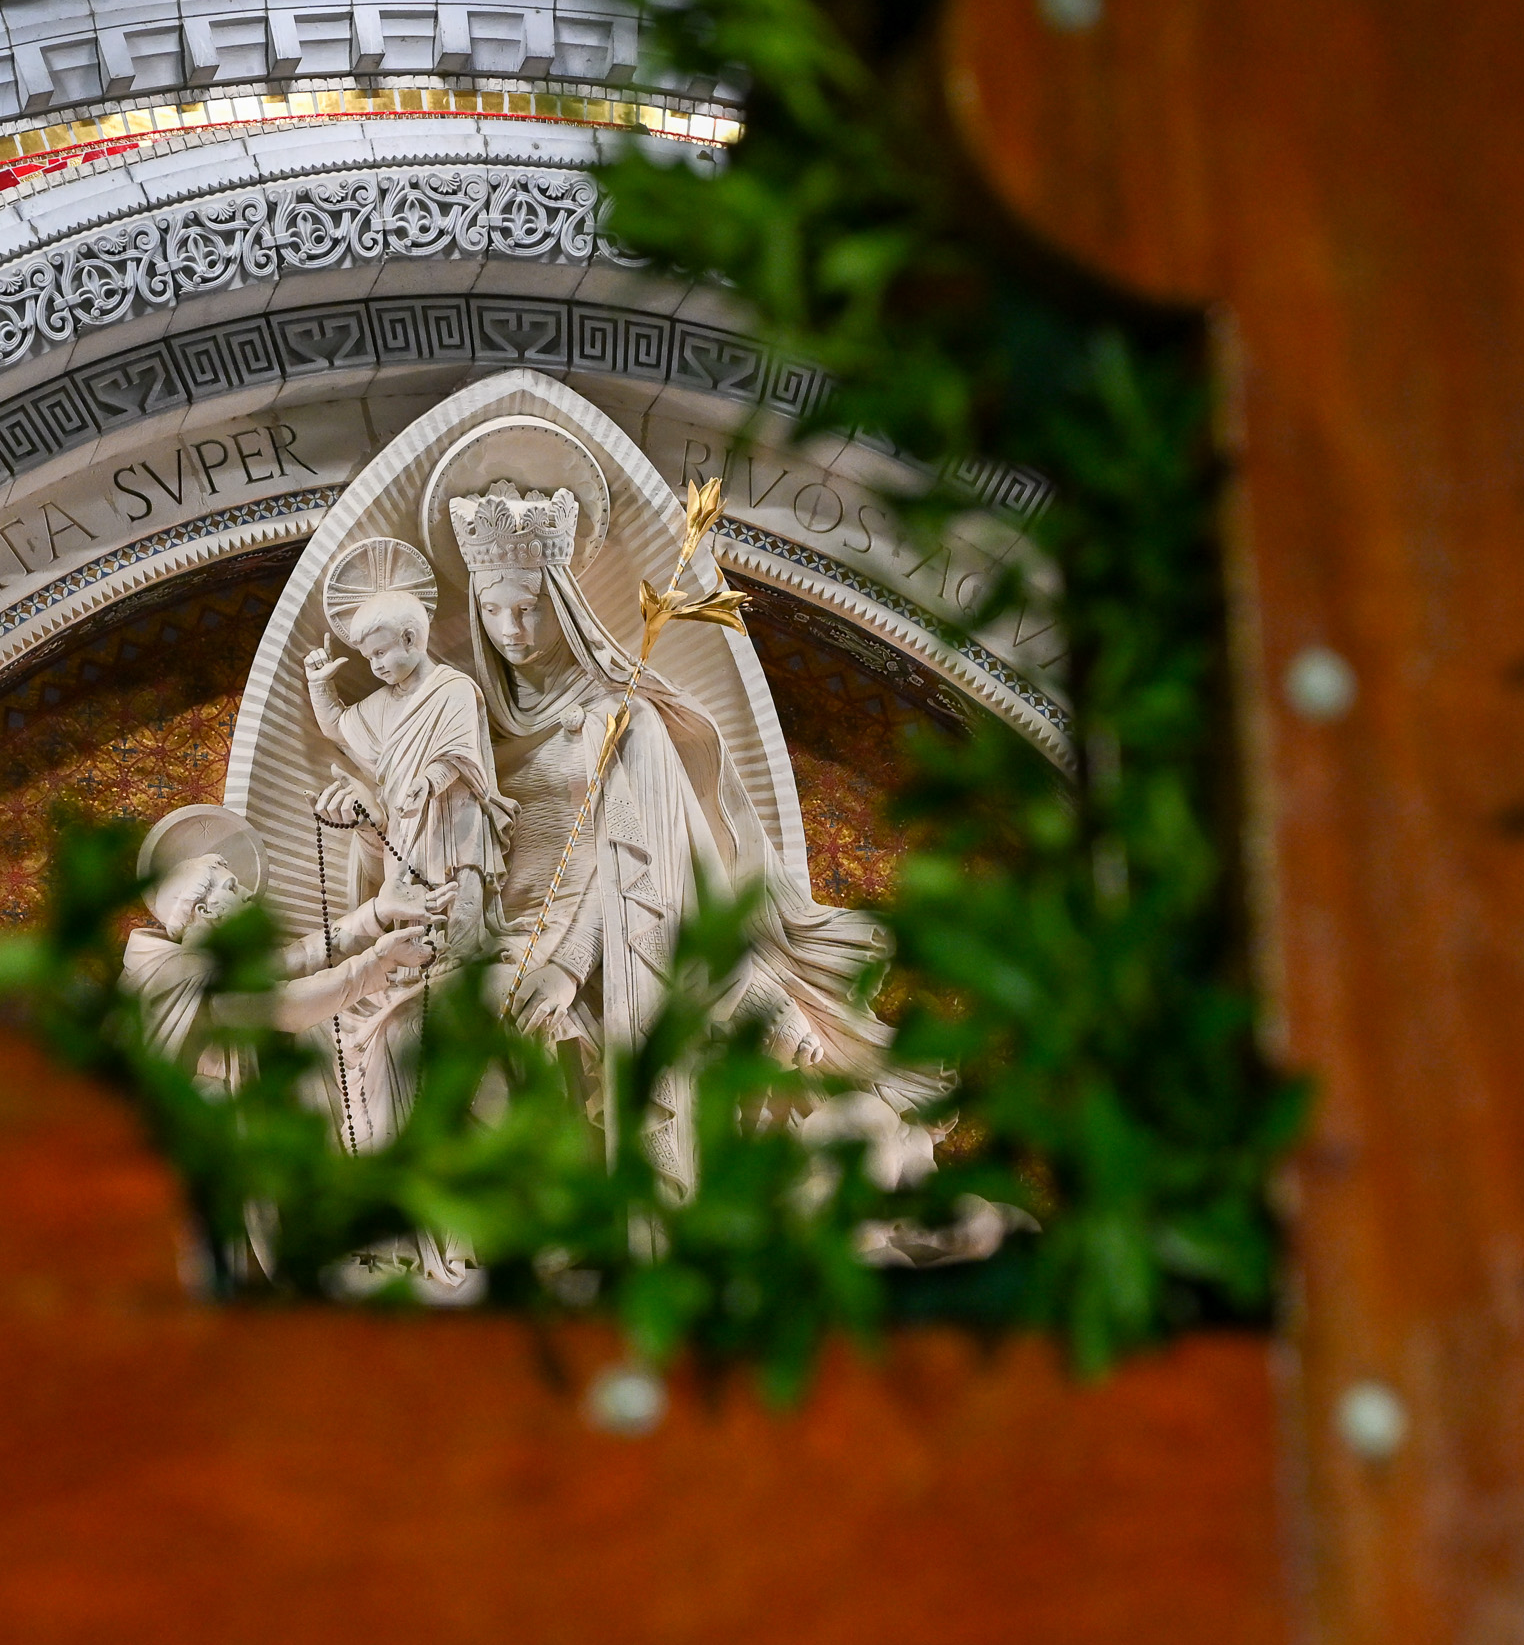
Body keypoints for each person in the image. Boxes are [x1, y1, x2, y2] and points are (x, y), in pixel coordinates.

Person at [450, 478, 925, 1181]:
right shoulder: (468, 720)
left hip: (607, 945)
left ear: (563, 605)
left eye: (528, 608)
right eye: (492, 610)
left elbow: (642, 867)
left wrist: (566, 967)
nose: (511, 629)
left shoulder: (624, 721)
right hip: (497, 938)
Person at [301, 536, 511, 965]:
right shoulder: (382, 703)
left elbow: (460, 753)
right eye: (368, 657)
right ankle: (414, 974)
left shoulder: (453, 688)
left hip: (455, 820)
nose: (375, 665)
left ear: (411, 638)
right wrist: (320, 685)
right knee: (409, 911)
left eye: (380, 653)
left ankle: (464, 965)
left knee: (460, 904)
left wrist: (427, 782)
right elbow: (338, 727)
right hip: (405, 825)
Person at [119, 807, 431, 1092]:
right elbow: (287, 1006)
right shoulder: (184, 971)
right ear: (205, 910)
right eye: (231, 887)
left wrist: (377, 911)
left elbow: (299, 957)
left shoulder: (208, 965)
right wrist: (378, 961)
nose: (246, 894)